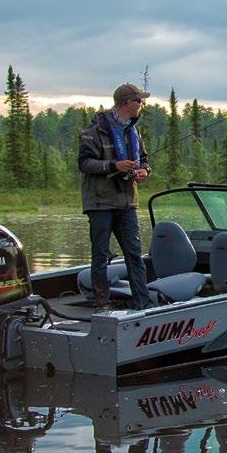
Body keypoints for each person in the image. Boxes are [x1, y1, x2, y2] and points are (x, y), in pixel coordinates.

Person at [79, 83, 152, 311]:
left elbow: (145, 160)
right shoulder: (93, 133)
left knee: (134, 254)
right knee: (100, 254)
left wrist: (144, 172)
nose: (142, 104)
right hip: (100, 202)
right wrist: (114, 165)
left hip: (127, 202)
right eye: (139, 101)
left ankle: (143, 305)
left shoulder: (133, 132)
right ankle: (102, 305)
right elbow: (84, 164)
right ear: (126, 103)